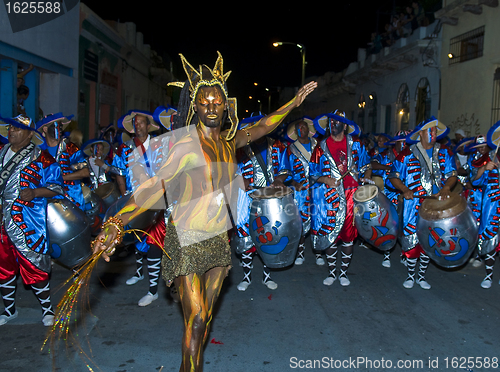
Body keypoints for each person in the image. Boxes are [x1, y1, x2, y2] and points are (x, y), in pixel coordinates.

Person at [93, 52, 317, 371]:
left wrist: (292, 104)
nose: (211, 106)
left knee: (203, 321)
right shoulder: (186, 146)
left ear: (226, 105)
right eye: (204, 101)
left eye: (217, 101)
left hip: (217, 240)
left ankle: (190, 366)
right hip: (185, 240)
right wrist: (117, 222)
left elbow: (263, 127)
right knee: (196, 318)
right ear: (195, 107)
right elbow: (153, 188)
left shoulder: (229, 142)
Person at [0, 115, 64, 326]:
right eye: (10, 128)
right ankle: (9, 310)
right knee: (3, 267)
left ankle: (47, 310)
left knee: (34, 265)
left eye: (17, 129)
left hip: (27, 223)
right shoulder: (0, 153)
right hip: (2, 223)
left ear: (29, 135)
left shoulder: (42, 158)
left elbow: (57, 188)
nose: (11, 132)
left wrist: (36, 192)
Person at [112, 108, 175, 306]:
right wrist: (126, 194)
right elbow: (124, 173)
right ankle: (147, 276)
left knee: (156, 243)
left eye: (141, 122)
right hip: (138, 203)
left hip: (160, 202)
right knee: (142, 242)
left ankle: (153, 290)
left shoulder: (160, 146)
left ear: (149, 125)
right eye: (135, 123)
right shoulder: (128, 151)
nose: (137, 125)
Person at [388, 117, 457, 289]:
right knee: (412, 239)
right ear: (421, 134)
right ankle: (410, 275)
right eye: (430, 130)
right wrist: (404, 189)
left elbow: (452, 175)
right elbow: (393, 177)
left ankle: (421, 276)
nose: (433, 133)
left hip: (436, 204)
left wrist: (447, 187)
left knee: (431, 239)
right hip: (414, 205)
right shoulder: (407, 154)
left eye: (434, 130)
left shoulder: (444, 152)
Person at [309, 110, 372, 286]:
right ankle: (331, 272)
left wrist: (366, 177)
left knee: (348, 236)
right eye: (331, 122)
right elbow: (312, 174)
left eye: (337, 122)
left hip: (352, 195)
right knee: (331, 234)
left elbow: (367, 165)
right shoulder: (320, 147)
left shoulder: (356, 145)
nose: (332, 125)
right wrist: (326, 179)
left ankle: (343, 273)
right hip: (329, 196)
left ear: (344, 125)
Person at [281, 118, 324, 266]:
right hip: (300, 191)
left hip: (317, 189)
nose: (301, 129)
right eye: (298, 127)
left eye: (303, 127)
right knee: (300, 221)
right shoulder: (290, 149)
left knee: (318, 219)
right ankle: (300, 252)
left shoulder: (318, 145)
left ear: (308, 129)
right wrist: (293, 183)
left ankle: (319, 252)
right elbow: (285, 170)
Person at [36, 113, 89, 210]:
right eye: (55, 126)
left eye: (61, 126)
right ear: (45, 129)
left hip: (71, 198)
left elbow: (85, 172)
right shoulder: (38, 151)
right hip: (46, 200)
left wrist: (60, 179)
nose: (59, 130)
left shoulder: (70, 148)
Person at [469, 135, 500, 288]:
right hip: (490, 206)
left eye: (483, 147)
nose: (481, 150)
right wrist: (483, 169)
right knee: (488, 237)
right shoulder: (487, 161)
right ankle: (489, 275)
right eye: (479, 147)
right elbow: (475, 182)